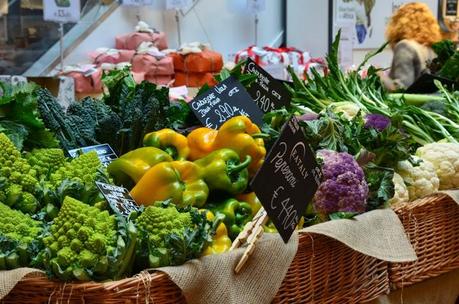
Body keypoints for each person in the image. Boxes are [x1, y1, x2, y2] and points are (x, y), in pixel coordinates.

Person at [381, 2, 442, 91]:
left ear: (399, 23)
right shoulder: (432, 49)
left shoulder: (405, 46)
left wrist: (380, 77)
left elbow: (401, 87)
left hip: (411, 104)